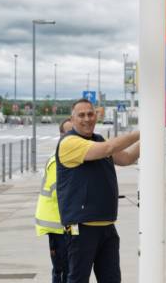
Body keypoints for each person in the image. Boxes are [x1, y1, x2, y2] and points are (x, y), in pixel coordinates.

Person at [57, 98, 140, 283]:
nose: (87, 119)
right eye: (81, 115)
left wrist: (153, 134)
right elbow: (108, 148)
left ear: (96, 116)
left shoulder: (99, 139)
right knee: (78, 280)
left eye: (90, 114)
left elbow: (126, 158)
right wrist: (143, 132)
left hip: (107, 227)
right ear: (73, 118)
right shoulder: (69, 142)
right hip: (82, 228)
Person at [35, 118, 74, 282]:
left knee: (67, 269)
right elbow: (60, 193)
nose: (74, 137)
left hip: (62, 223)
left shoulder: (67, 157)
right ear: (61, 136)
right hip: (58, 225)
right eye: (70, 133)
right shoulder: (59, 160)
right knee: (63, 270)